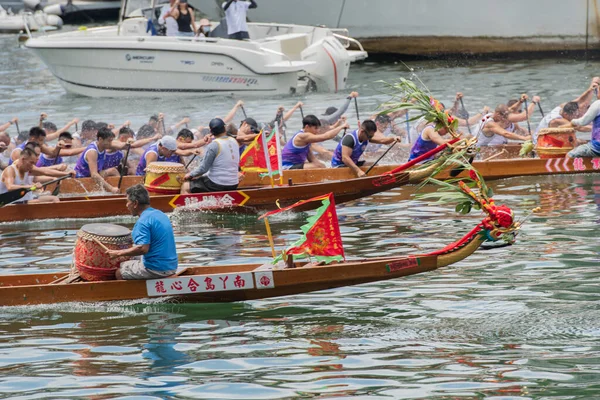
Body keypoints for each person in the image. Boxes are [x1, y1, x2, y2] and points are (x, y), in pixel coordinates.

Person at [107, 184, 178, 280]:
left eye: (128, 202)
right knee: (130, 258)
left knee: (119, 271)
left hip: (157, 268)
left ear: (135, 203)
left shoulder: (143, 221)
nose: (127, 205)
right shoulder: (160, 214)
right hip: (172, 266)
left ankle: (135, 294)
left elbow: (142, 249)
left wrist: (118, 253)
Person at [181, 118, 240, 193]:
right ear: (225, 128)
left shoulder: (214, 145)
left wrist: (190, 175)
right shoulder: (234, 141)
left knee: (185, 186)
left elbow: (203, 169)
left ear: (211, 132)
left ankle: (188, 204)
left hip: (217, 184)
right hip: (234, 183)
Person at [0, 147, 73, 204]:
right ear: (23, 159)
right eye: (31, 162)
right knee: (40, 202)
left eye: (34, 163)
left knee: (54, 199)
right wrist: (31, 186)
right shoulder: (10, 170)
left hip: (26, 199)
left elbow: (44, 172)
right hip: (8, 202)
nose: (32, 166)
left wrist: (64, 174)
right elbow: (10, 187)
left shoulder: (27, 168)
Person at [331, 120, 400, 177]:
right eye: (369, 136)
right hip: (339, 166)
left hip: (353, 163)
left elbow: (383, 141)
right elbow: (345, 158)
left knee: (375, 166)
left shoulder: (366, 136)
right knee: (360, 172)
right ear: (362, 132)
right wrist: (358, 171)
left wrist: (394, 138)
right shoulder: (350, 139)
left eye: (372, 136)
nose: (370, 138)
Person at [281, 115, 349, 170]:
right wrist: (342, 126)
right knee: (319, 166)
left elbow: (312, 159)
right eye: (315, 128)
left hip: (295, 165)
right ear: (307, 127)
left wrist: (326, 168)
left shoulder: (307, 141)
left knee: (321, 166)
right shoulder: (302, 136)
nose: (317, 131)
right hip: (286, 168)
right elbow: (325, 136)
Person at [74, 127, 121, 193]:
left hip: (93, 174)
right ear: (100, 139)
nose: (111, 143)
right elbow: (94, 175)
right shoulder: (92, 152)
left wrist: (127, 144)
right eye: (109, 141)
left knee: (113, 170)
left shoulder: (103, 146)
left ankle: (121, 189)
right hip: (82, 177)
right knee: (99, 176)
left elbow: (121, 145)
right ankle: (114, 190)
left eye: (111, 141)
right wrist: (111, 188)